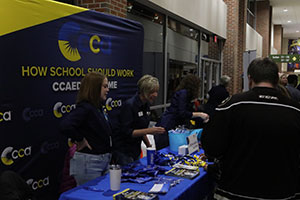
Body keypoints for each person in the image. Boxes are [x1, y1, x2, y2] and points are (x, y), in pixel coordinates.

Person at [201, 57, 300, 200]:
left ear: (250, 78)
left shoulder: (230, 106)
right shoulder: (295, 110)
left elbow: (211, 148)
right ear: (276, 79)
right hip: (282, 193)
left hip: (235, 191)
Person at [60, 71, 112, 185]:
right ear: (94, 88)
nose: (107, 90)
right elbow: (65, 126)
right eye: (104, 86)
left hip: (104, 160)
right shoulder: (85, 108)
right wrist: (80, 139)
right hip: (89, 163)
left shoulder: (98, 108)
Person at [113, 75, 165, 165]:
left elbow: (141, 129)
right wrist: (150, 130)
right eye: (153, 92)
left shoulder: (146, 105)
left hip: (135, 150)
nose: (156, 95)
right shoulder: (130, 105)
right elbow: (127, 132)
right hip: (124, 151)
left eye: (157, 91)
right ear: (145, 91)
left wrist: (149, 147)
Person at [155, 74, 209, 150]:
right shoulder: (183, 93)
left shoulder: (186, 95)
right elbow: (183, 113)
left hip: (173, 126)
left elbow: (189, 113)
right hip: (167, 126)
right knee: (165, 149)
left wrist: (203, 119)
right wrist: (200, 115)